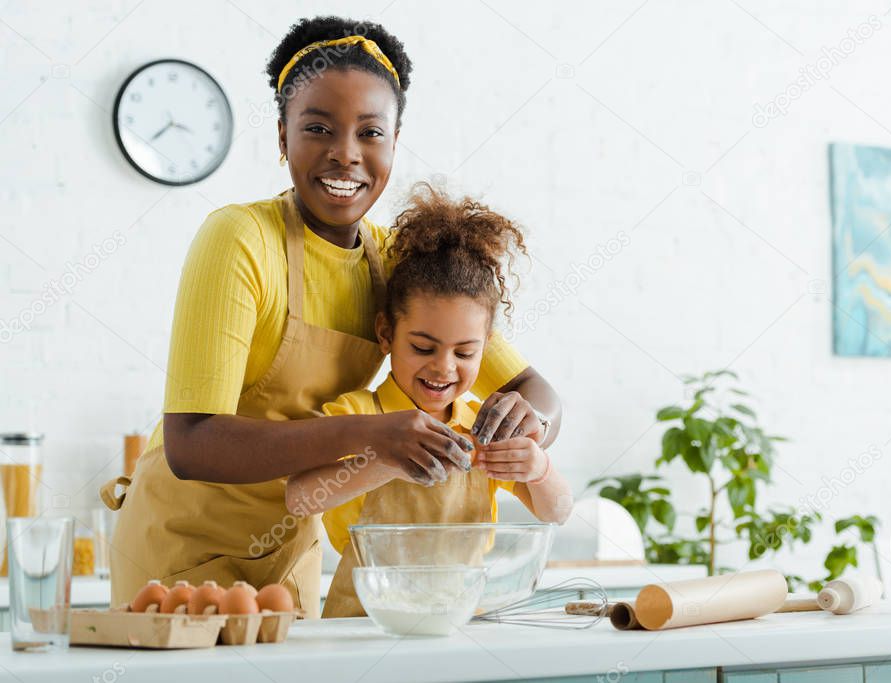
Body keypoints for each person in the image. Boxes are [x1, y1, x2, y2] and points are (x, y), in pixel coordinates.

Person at [101, 17, 561, 612]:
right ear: (282, 136)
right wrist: (373, 435)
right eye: (318, 128)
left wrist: (526, 431)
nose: (346, 155)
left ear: (395, 141)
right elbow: (193, 444)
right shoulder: (239, 239)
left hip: (289, 554)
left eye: (371, 133)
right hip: (180, 549)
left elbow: (538, 393)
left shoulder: (395, 261)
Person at [285, 184, 572, 617]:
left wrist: (538, 467)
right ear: (386, 334)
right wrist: (388, 459)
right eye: (423, 348)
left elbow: (558, 512)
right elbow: (300, 499)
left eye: (464, 353)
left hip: (461, 619)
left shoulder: (482, 428)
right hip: (364, 621)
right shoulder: (356, 414)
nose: (443, 368)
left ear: (486, 347)